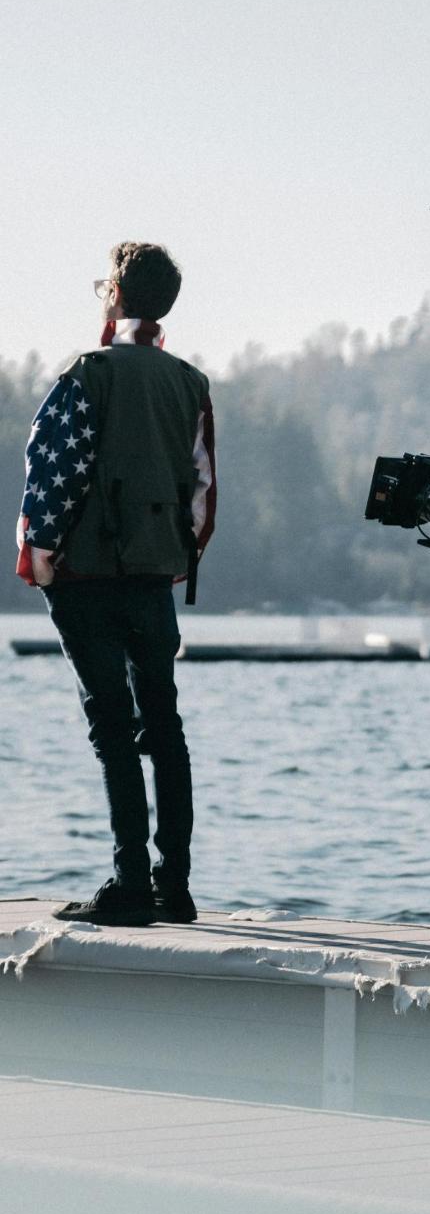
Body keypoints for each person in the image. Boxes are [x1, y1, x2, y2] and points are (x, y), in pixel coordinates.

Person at [16, 243, 217, 927]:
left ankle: (130, 880)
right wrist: (178, 557)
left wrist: (39, 554)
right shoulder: (190, 382)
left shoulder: (89, 372)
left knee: (111, 726)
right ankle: (175, 884)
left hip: (89, 574)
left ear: (115, 297)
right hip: (155, 574)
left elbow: (55, 471)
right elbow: (202, 488)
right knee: (165, 726)